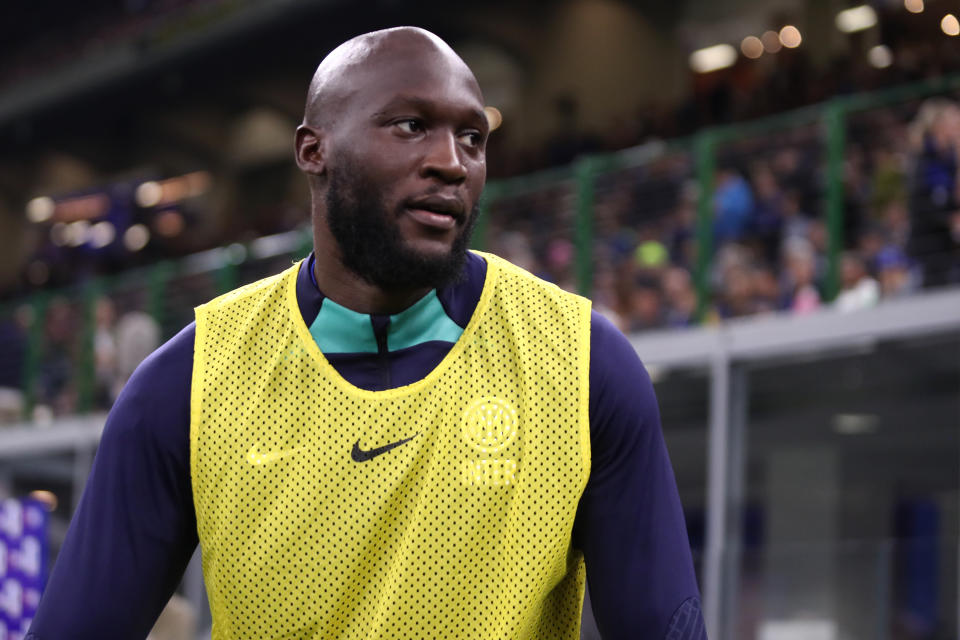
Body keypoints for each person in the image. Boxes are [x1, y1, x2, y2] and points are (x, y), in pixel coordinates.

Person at [27, 27, 704, 640]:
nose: (452, 162)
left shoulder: (582, 364)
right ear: (313, 150)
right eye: (411, 126)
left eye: (473, 137)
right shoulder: (189, 386)